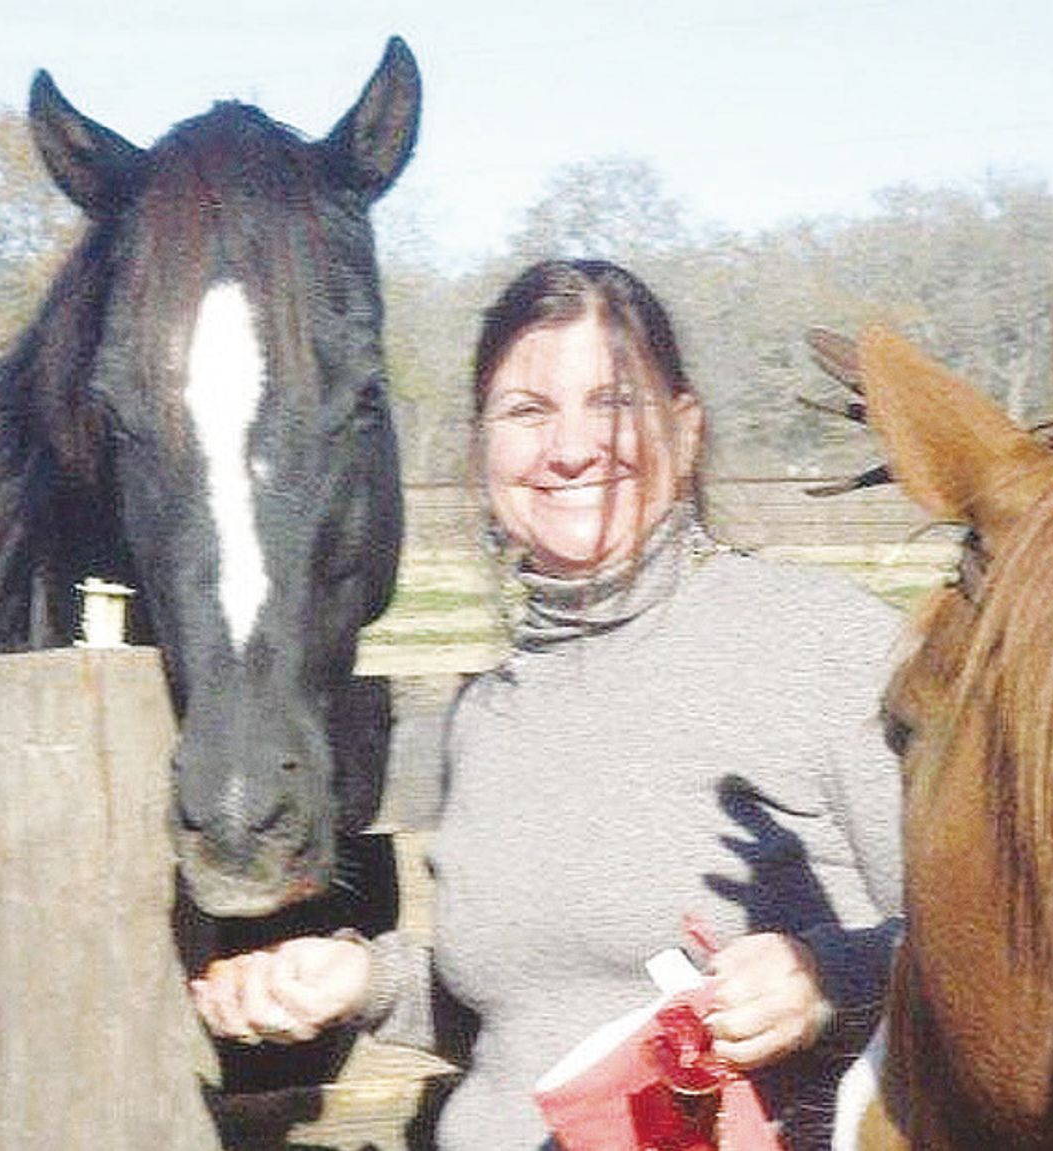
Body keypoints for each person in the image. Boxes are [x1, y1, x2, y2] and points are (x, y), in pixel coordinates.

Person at [190, 258, 904, 1150]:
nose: (571, 448)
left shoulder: (825, 645)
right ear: (485, 448)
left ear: (684, 433)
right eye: (528, 411)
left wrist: (828, 979)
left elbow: (1008, 958)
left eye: (613, 403)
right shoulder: (489, 713)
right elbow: (528, 1008)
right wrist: (363, 980)